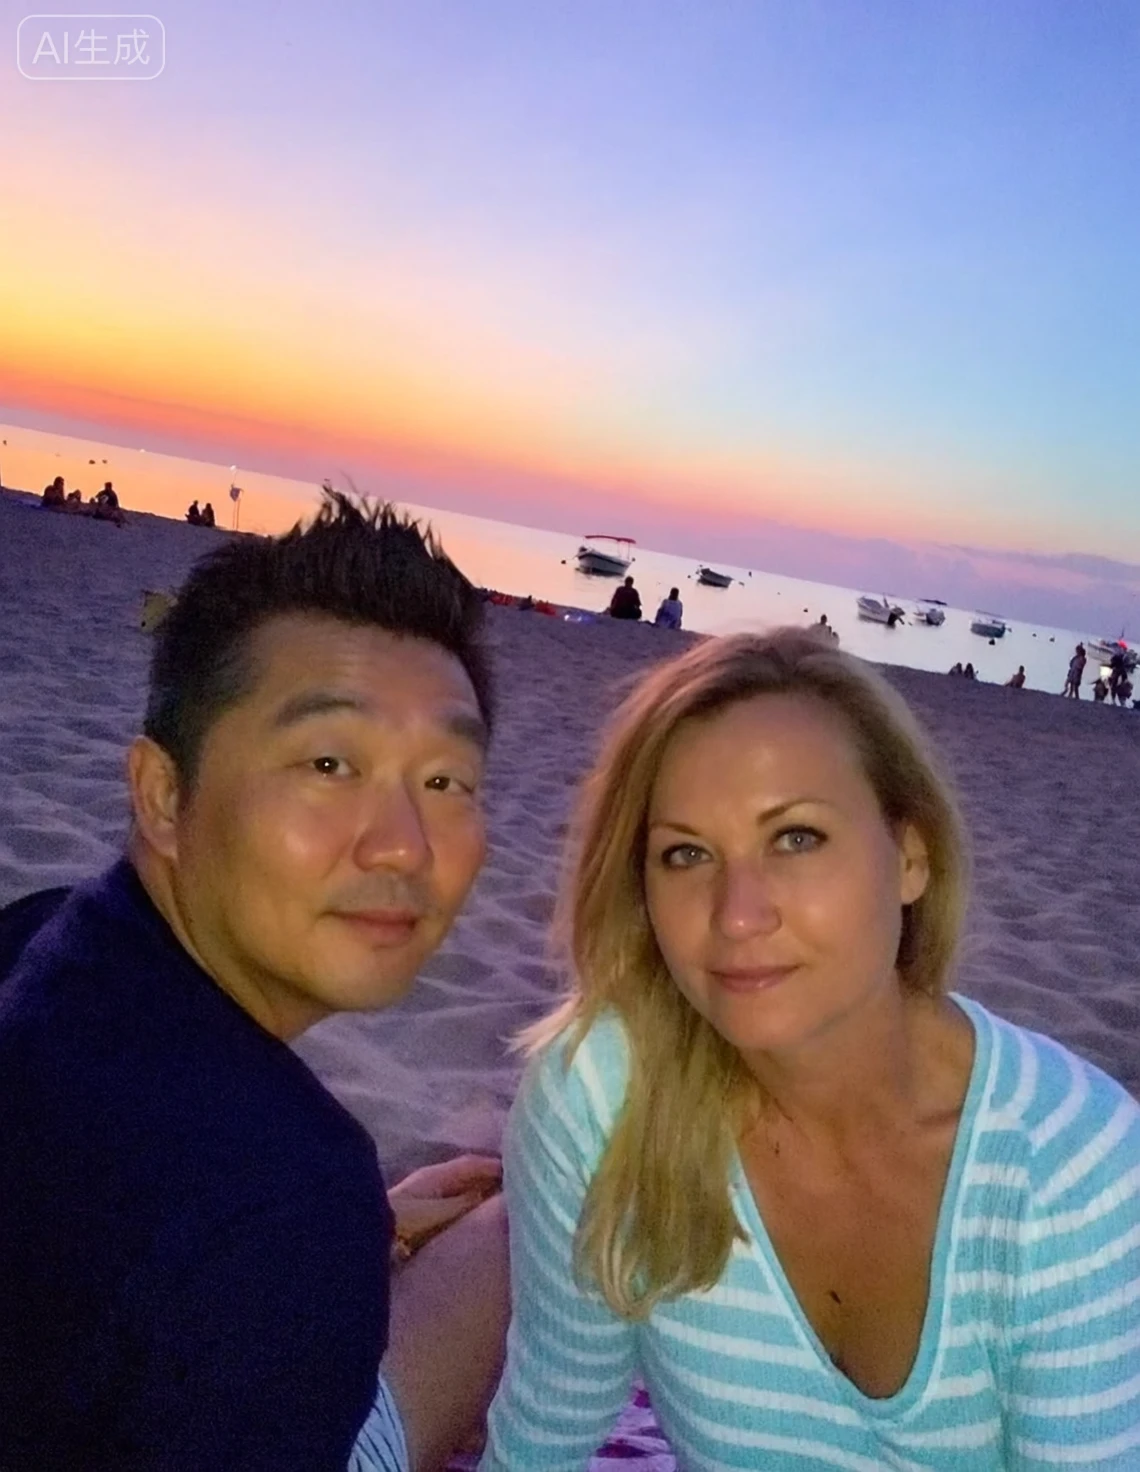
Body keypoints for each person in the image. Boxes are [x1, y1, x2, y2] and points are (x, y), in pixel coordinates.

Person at [480, 629, 1140, 1470]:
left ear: (910, 856)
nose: (739, 915)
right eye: (686, 854)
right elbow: (550, 1413)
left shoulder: (1071, 1172)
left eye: (795, 838)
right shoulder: (604, 1097)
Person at [0, 494, 509, 1472]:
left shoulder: (45, 933)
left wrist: (351, 1232)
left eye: (447, 779)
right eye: (329, 761)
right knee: (520, 1225)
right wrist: (303, 1245)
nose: (404, 842)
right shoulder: (288, 1190)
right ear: (162, 792)